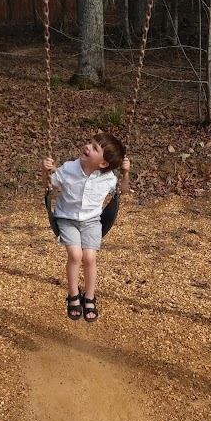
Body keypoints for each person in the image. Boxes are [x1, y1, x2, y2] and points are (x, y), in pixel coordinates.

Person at [42, 132, 130, 321]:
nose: (88, 147)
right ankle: (73, 294)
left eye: (95, 148)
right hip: (67, 219)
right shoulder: (68, 169)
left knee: (89, 257)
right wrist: (45, 171)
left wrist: (126, 173)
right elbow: (49, 185)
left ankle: (89, 296)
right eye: (90, 143)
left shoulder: (108, 178)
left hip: (92, 221)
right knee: (75, 255)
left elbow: (122, 191)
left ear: (103, 164)